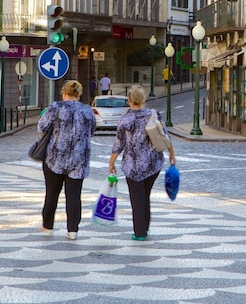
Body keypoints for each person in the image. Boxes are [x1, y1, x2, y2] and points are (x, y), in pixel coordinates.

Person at [108, 85, 176, 241]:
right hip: (152, 164)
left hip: (132, 165)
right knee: (145, 195)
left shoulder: (125, 119)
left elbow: (118, 144)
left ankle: (140, 232)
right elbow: (165, 136)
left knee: (137, 197)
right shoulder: (153, 115)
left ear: (129, 101)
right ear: (143, 99)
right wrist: (172, 154)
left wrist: (111, 163)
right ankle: (145, 227)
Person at [37, 80, 96, 240]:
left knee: (51, 193)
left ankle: (48, 225)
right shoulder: (87, 110)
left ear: (64, 93)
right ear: (79, 94)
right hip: (79, 159)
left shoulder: (56, 107)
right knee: (74, 195)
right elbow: (91, 131)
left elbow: (41, 128)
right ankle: (72, 230)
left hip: (55, 158)